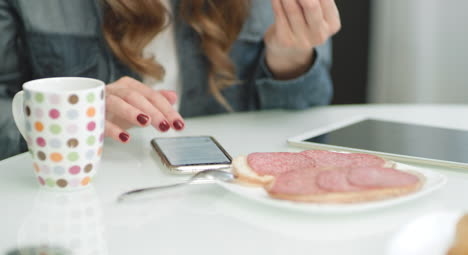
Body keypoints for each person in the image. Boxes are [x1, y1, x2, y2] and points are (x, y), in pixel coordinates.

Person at [0, 0, 341, 160]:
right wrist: (64, 117)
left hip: (226, 204)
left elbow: (306, 126)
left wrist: (287, 58)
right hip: (80, 203)